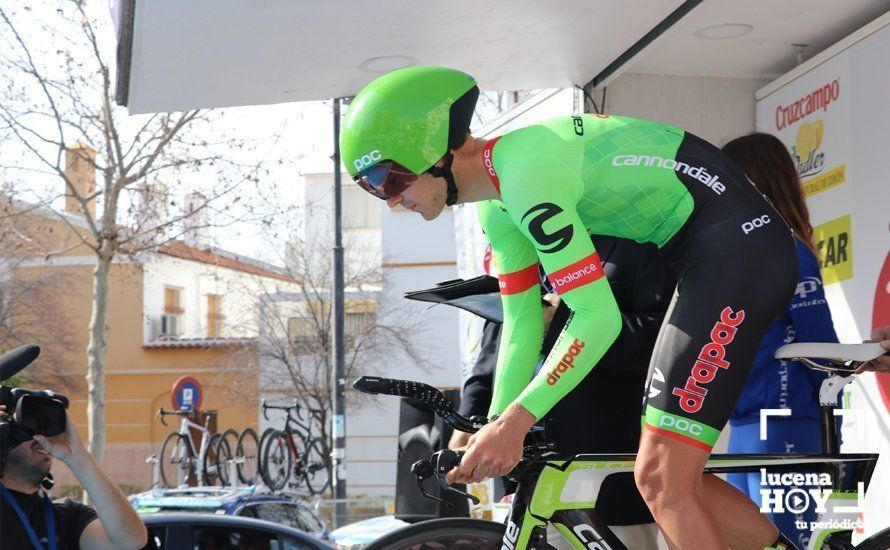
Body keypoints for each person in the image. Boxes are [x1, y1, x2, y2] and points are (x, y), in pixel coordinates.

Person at [341, 66, 799, 549]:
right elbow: (521, 326)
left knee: (660, 478)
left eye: (388, 179)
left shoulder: (527, 176)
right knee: (668, 475)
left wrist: (515, 423)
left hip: (738, 248)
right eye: (371, 188)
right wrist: (488, 426)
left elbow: (595, 319)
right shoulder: (495, 203)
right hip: (704, 252)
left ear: (432, 153)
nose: (389, 201)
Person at [452, 234, 676, 549]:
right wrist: (466, 424)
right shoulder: (521, 251)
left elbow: (664, 338)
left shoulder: (636, 243)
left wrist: (562, 323)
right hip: (528, 469)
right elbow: (489, 360)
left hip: (603, 463)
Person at [721, 132, 838, 548]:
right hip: (767, 425)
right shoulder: (777, 249)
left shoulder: (777, 251)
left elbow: (821, 348)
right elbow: (825, 349)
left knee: (786, 542)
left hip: (772, 423)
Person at [0, 405, 148, 550]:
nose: (41, 437)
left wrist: (78, 457)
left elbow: (130, 541)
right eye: (27, 426)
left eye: (44, 426)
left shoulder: (67, 516)